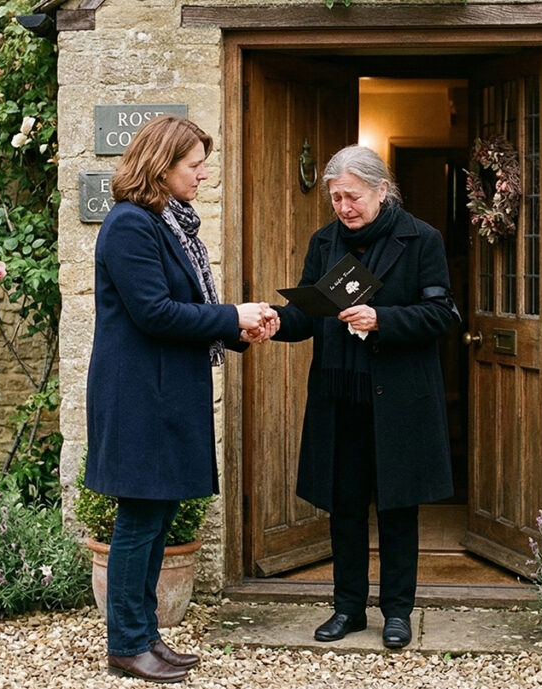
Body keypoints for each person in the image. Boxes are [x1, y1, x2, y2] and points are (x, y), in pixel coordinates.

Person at [85, 115, 276, 683]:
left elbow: (180, 310)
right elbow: (154, 312)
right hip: (140, 397)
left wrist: (236, 328)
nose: (203, 175)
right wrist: (231, 316)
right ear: (161, 166)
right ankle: (125, 644)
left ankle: (146, 636)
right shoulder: (128, 225)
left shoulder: (168, 225)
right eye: (194, 165)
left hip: (166, 392)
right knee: (140, 521)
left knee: (158, 516)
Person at [271, 145, 458, 649]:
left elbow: (443, 315)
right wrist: (270, 321)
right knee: (344, 507)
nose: (344, 208)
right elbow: (308, 314)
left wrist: (383, 319)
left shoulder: (421, 239)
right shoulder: (326, 241)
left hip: (398, 399)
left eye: (352, 197)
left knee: (398, 509)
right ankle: (348, 608)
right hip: (339, 396)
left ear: (381, 190)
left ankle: (397, 612)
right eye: (336, 199)